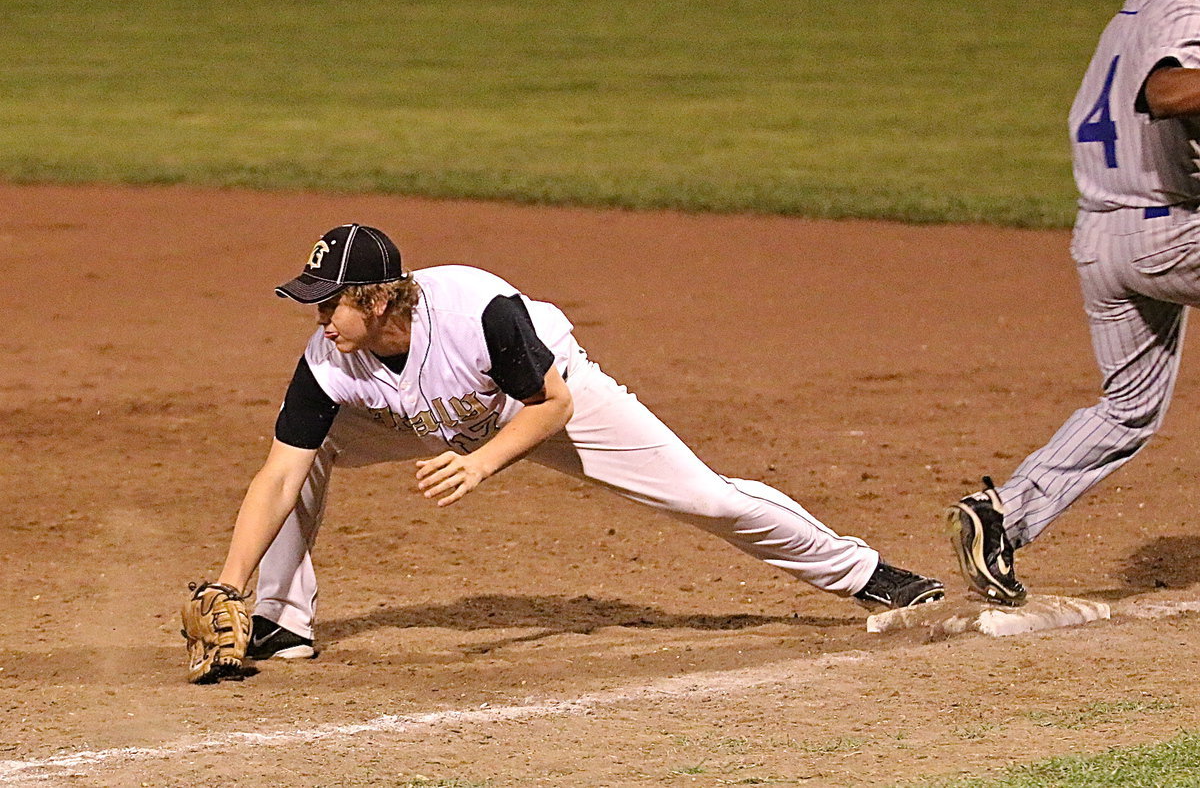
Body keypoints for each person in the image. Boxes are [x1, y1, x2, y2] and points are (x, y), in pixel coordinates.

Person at [201, 223, 944, 668]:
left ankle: (868, 574)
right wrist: (227, 582)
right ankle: (275, 619)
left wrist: (482, 462)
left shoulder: (476, 309)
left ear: (380, 298)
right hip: (426, 416)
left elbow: (549, 404)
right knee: (312, 449)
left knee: (707, 497)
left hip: (544, 398)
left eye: (330, 302)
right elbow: (277, 475)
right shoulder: (328, 359)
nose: (319, 317)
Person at [948, 0, 1200, 606]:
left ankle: (1002, 516)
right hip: (1167, 232)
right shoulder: (1183, 9)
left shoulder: (1135, 11)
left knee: (1129, 410)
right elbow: (1169, 93)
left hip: (1104, 239)